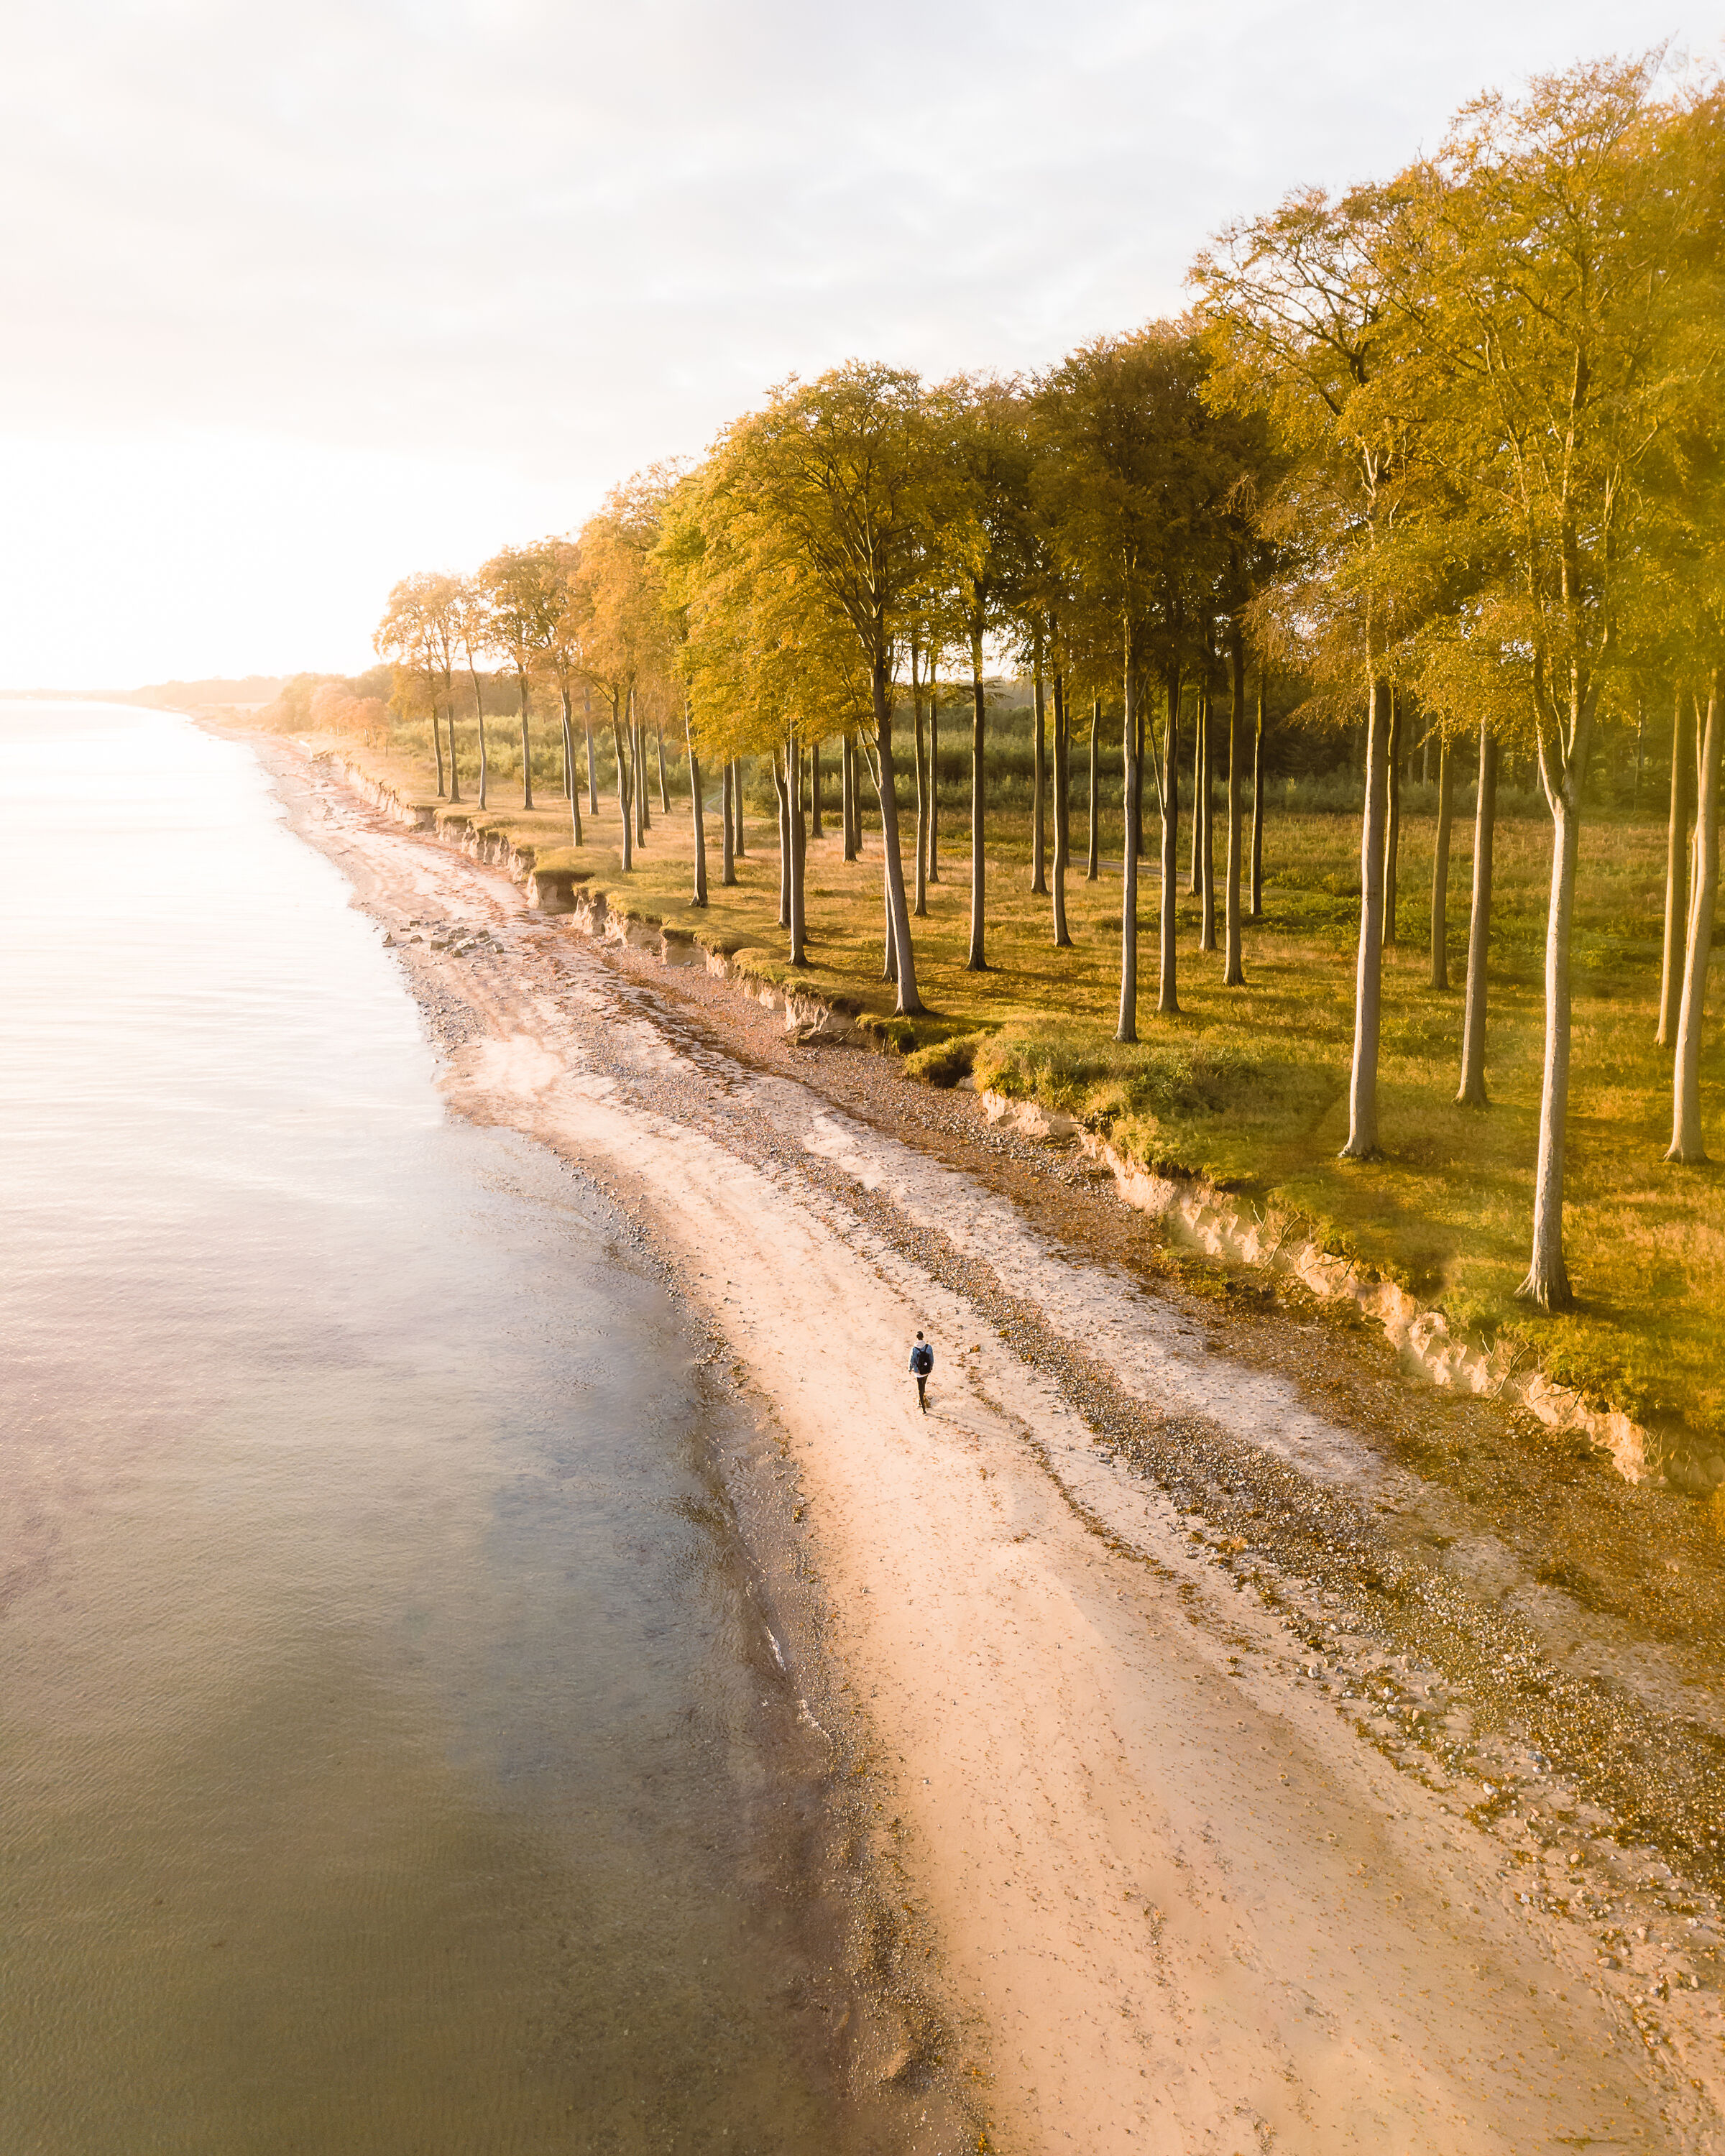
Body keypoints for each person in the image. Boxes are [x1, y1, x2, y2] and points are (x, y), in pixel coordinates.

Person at [908, 1330, 934, 1413]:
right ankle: (922, 1397)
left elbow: (912, 1360)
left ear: (917, 1338)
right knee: (924, 1385)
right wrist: (931, 1367)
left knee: (920, 1388)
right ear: (923, 1337)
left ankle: (923, 1407)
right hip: (926, 1371)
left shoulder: (914, 1349)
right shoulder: (928, 1347)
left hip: (918, 1372)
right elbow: (931, 1359)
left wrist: (910, 1368)